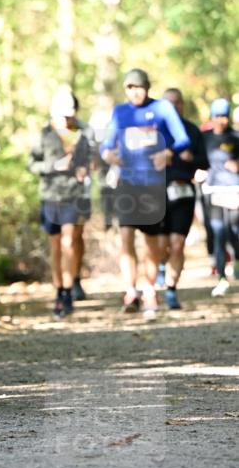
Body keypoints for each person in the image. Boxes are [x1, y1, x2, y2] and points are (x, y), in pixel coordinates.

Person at [100, 68, 192, 319]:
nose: (135, 92)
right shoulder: (120, 112)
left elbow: (182, 139)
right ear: (125, 90)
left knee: (152, 243)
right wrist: (108, 155)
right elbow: (106, 145)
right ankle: (130, 291)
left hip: (153, 185)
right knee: (126, 237)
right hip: (127, 184)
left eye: (139, 87)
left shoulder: (162, 109)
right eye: (130, 87)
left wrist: (168, 152)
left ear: (147, 87)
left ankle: (149, 289)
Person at [28, 89, 92, 318]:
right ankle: (59, 291)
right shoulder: (45, 134)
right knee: (56, 246)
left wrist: (85, 168)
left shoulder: (84, 132)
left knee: (70, 241)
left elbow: (94, 158)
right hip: (50, 195)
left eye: (70, 114)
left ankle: (68, 290)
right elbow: (32, 164)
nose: (67, 119)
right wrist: (53, 167)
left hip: (75, 194)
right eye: (63, 115)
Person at [155, 88, 208, 309]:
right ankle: (160, 265)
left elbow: (204, 162)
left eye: (177, 103)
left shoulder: (192, 131)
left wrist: (189, 158)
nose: (173, 107)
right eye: (168, 103)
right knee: (160, 244)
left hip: (183, 191)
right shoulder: (153, 130)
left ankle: (171, 290)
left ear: (182, 105)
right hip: (156, 193)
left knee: (177, 244)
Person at [199, 98, 239, 296]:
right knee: (217, 231)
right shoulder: (204, 138)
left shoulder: (236, 137)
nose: (221, 120)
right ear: (212, 117)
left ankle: (237, 263)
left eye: (224, 116)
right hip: (213, 190)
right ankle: (221, 277)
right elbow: (196, 160)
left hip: (234, 189)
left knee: (234, 230)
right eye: (217, 116)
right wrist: (197, 171)